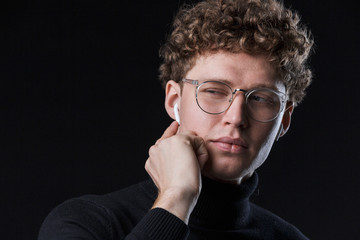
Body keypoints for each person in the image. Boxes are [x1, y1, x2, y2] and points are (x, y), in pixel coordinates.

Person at [38, 0, 313, 239]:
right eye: (214, 91)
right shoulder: (88, 222)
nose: (236, 117)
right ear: (174, 100)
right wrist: (176, 199)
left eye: (260, 98)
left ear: (285, 118)